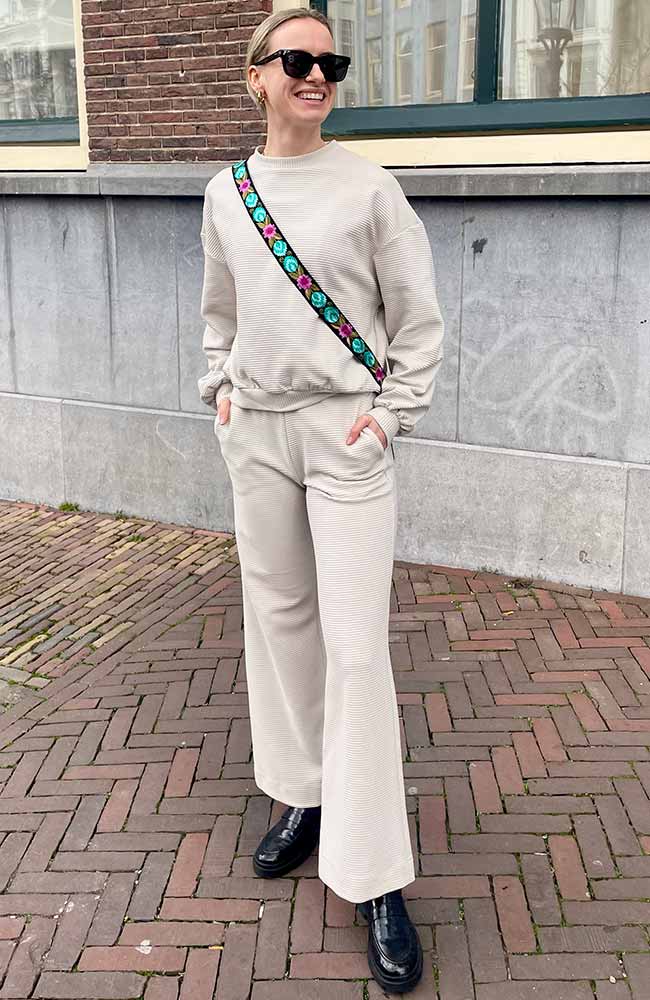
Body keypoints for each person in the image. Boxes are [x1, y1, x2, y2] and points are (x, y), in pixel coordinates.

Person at [198, 6, 444, 993]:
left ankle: (374, 873)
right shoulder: (226, 192)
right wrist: (218, 389)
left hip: (345, 436)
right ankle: (303, 794)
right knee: (281, 625)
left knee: (355, 649)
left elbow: (418, 324)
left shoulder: (369, 187)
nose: (316, 75)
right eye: (296, 59)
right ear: (255, 76)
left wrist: (387, 419)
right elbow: (219, 309)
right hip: (256, 432)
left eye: (329, 63)